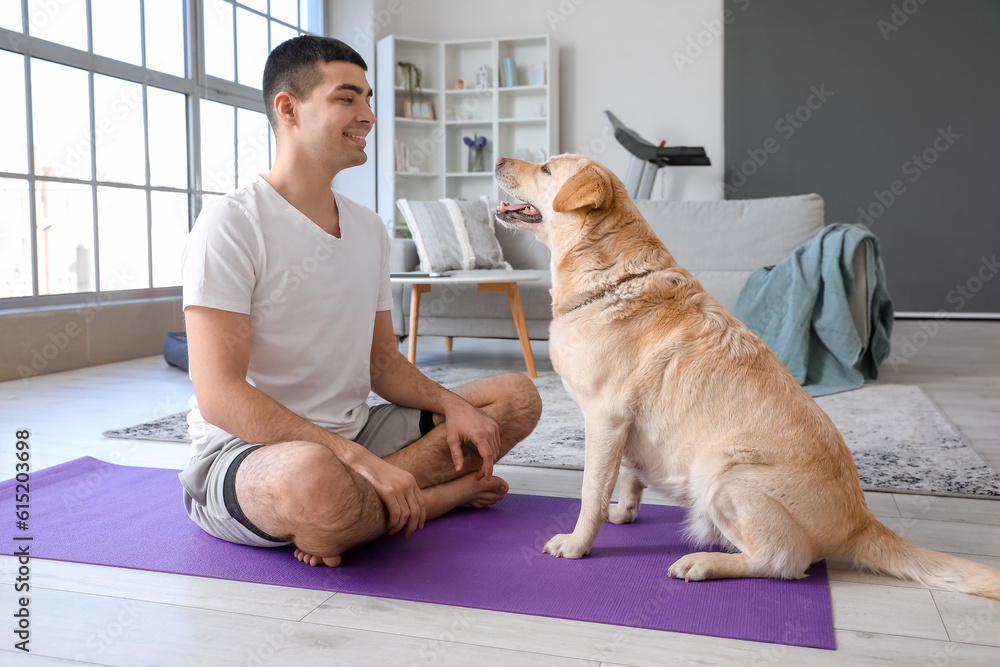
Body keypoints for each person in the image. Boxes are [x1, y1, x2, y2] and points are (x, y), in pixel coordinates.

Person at [179, 36, 542, 567]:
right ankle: (437, 498)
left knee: (513, 399)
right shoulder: (230, 225)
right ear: (289, 109)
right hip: (249, 454)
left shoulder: (368, 229)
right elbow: (218, 395)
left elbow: (381, 362)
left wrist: (452, 406)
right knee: (313, 481)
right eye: (347, 98)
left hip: (356, 432)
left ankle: (361, 514)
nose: (368, 114)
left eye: (368, 99)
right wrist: (354, 459)